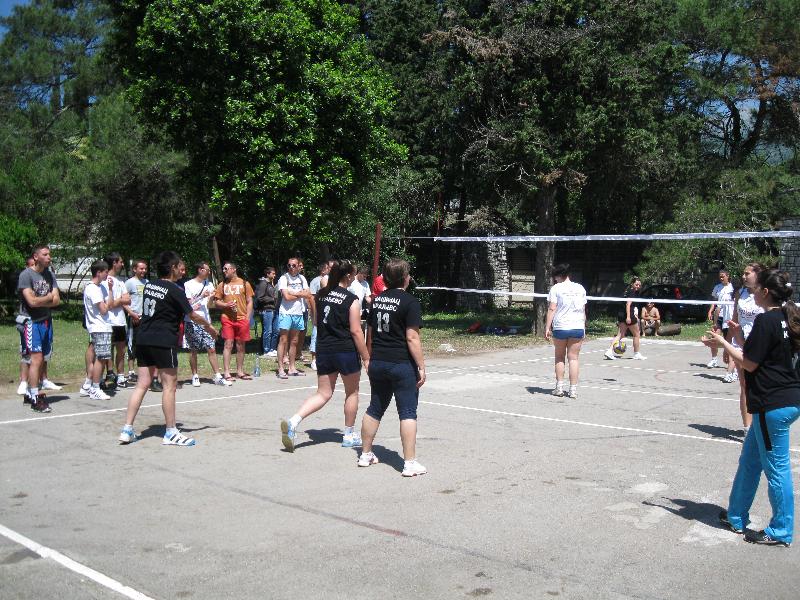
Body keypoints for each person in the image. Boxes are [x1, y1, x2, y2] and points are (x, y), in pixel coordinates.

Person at [702, 269, 800, 547]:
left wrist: (723, 342)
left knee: (777, 470)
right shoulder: (788, 318)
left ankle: (781, 530)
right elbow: (762, 355)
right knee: (750, 461)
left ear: (765, 292)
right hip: (783, 400)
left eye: (755, 290)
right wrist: (738, 337)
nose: (751, 293)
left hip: (773, 405)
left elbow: (749, 363)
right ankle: (736, 515)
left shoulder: (767, 319)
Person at [118, 251, 218, 446]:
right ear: (172, 268)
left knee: (142, 384)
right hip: (163, 340)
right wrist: (210, 327)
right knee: (169, 386)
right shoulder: (175, 290)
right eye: (180, 267)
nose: (182, 271)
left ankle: (127, 429)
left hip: (143, 338)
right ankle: (171, 432)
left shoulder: (150, 285)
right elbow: (192, 314)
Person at [280, 261, 370, 452]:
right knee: (352, 392)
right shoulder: (351, 299)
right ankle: (348, 434)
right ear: (347, 276)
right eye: (353, 275)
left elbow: (315, 322)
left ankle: (294, 421)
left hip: (324, 348)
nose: (354, 278)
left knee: (323, 393)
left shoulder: (321, 295)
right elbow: (356, 331)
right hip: (345, 350)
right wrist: (366, 357)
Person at [358, 258, 427, 477]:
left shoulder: (376, 301)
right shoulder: (410, 302)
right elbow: (412, 337)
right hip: (401, 363)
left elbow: (369, 332)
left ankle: (365, 454)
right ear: (405, 278)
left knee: (375, 408)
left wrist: (368, 358)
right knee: (407, 412)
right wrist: (421, 366)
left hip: (378, 361)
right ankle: (409, 463)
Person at [18, 244, 61, 412]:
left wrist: (43, 299)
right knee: (35, 359)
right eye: (45, 254)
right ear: (36, 257)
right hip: (31, 322)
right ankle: (35, 398)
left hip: (45, 321)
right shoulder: (26, 275)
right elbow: (31, 302)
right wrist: (48, 297)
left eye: (49, 254)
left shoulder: (49, 274)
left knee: (42, 358)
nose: (49, 257)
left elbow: (56, 300)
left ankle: (30, 392)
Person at [729, 262, 766, 434]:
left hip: (760, 344)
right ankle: (747, 428)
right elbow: (734, 320)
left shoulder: (766, 293)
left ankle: (762, 425)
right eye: (743, 273)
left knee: (762, 384)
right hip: (740, 343)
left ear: (758, 274)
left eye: (747, 273)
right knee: (745, 385)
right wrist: (727, 345)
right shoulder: (740, 293)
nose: (743, 276)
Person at [543, 264, 587, 399]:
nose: (555, 280)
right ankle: (573, 390)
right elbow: (583, 310)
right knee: (574, 358)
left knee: (559, 357)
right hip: (577, 327)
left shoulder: (556, 288)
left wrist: (547, 327)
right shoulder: (580, 288)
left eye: (555, 277)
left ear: (559, 276)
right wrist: (583, 327)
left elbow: (552, 308)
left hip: (561, 327)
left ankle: (559, 388)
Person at [184, 261, 231, 387]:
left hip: (206, 321)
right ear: (200, 270)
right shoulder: (188, 284)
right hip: (192, 320)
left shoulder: (209, 284)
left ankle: (217, 376)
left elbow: (210, 305)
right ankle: (195, 375)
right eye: (207, 270)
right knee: (193, 349)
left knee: (211, 348)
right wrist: (201, 296)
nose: (209, 272)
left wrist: (210, 298)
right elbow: (188, 305)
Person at [213, 261, 254, 381]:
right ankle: (226, 372)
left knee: (241, 345)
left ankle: (240, 371)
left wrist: (247, 317)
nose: (224, 271)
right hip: (227, 319)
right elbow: (216, 301)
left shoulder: (245, 283)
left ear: (233, 269)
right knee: (228, 344)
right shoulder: (222, 285)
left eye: (226, 269)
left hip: (242, 319)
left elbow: (249, 301)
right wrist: (226, 305)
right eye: (223, 269)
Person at [82, 260, 114, 401]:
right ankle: (95, 388)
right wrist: (106, 305)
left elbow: (110, 305)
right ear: (98, 272)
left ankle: (88, 385)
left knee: (102, 357)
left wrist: (110, 289)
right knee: (101, 359)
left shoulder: (100, 287)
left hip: (104, 327)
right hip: (99, 327)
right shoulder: (93, 289)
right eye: (106, 272)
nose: (107, 274)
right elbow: (104, 309)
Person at [276, 256, 311, 378]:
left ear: (298, 266)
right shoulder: (283, 278)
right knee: (283, 340)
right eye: (289, 265)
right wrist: (300, 294)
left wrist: (293, 293)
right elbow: (286, 297)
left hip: (298, 312)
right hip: (286, 312)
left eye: (294, 265)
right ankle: (281, 368)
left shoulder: (302, 278)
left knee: (294, 341)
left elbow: (308, 294)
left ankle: (292, 368)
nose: (291, 267)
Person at [101, 252, 131, 389]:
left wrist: (117, 301)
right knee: (105, 351)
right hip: (108, 321)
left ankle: (120, 377)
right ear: (114, 263)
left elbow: (128, 300)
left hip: (120, 321)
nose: (122, 264)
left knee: (121, 350)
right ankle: (103, 377)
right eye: (121, 262)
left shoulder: (120, 281)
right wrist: (119, 301)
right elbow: (109, 304)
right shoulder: (104, 281)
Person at [605, 276, 646, 360]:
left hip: (621, 314)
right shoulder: (631, 292)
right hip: (628, 315)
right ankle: (636, 354)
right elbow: (628, 304)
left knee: (620, 335)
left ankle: (609, 351)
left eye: (639, 285)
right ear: (632, 284)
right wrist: (628, 317)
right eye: (636, 284)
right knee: (636, 334)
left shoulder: (627, 291)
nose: (638, 286)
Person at [124, 259, 148, 382]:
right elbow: (123, 301)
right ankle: (131, 371)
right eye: (141, 268)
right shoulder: (129, 283)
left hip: (145, 318)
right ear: (134, 269)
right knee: (132, 344)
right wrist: (132, 313)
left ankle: (143, 371)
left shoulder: (147, 283)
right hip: (134, 318)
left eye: (145, 268)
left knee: (143, 345)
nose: (143, 270)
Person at [707, 269, 735, 375]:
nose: (721, 278)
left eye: (723, 276)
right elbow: (714, 301)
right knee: (714, 336)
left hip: (729, 317)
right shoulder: (717, 287)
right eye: (720, 276)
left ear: (728, 276)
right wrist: (710, 311)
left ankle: (730, 362)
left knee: (728, 340)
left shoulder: (733, 288)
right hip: (718, 315)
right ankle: (714, 359)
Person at [308, 262, 331, 370]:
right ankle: (314, 359)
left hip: (328, 312)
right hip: (318, 311)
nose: (330, 269)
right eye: (328, 268)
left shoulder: (332, 280)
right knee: (316, 334)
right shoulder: (315, 281)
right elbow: (312, 298)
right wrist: (314, 312)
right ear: (323, 270)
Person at [254, 266, 279, 357]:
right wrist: (272, 299)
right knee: (268, 331)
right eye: (273, 273)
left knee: (276, 330)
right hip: (266, 310)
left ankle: (272, 349)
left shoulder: (270, 284)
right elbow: (259, 297)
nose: (274, 275)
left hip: (273, 310)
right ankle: (266, 350)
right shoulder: (263, 283)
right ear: (268, 274)